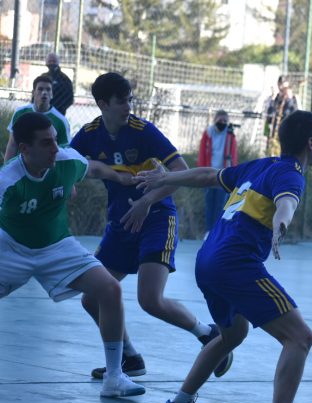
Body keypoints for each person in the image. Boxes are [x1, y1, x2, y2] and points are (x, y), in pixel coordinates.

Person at [136, 110, 312, 403]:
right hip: (235, 264)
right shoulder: (292, 175)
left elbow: (209, 175)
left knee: (232, 333)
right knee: (300, 337)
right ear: (310, 143)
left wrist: (169, 179)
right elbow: (286, 203)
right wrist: (281, 225)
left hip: (207, 261)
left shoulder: (260, 165)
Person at [69, 72, 232, 380]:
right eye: (121, 102)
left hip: (157, 218)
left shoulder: (143, 132)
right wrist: (68, 186)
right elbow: (68, 165)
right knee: (91, 298)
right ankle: (129, 357)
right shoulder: (89, 135)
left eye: (130, 100)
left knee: (150, 300)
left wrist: (147, 202)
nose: (128, 107)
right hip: (120, 222)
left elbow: (181, 172)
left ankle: (206, 334)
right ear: (103, 104)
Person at [0, 112, 145, 398]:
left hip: (57, 247)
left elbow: (96, 169)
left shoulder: (67, 162)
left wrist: (123, 178)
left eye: (55, 140)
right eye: (47, 144)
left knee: (110, 289)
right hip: (11, 248)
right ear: (25, 149)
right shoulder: (8, 181)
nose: (56, 148)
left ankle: (114, 377)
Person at [5, 75, 70, 162]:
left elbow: (65, 151)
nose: (44, 92)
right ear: (33, 92)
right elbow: (12, 144)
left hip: (46, 169)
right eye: (40, 89)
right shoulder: (20, 113)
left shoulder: (61, 121)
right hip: (20, 166)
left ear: (52, 94)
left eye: (48, 89)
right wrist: (6, 168)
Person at [198, 109, 238, 232]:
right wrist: (201, 171)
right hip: (209, 173)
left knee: (221, 205)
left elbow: (233, 154)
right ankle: (208, 231)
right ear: (215, 120)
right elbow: (202, 153)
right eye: (220, 120)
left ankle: (217, 231)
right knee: (209, 204)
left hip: (223, 174)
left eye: (225, 121)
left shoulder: (230, 135)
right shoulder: (208, 133)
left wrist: (233, 173)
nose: (222, 122)